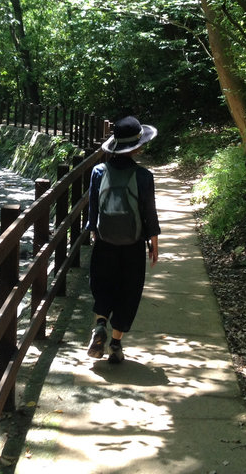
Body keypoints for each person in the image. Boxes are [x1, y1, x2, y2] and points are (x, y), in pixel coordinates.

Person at [84, 115, 160, 364]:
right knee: (129, 291)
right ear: (136, 148)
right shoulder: (144, 176)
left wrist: (94, 232)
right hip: (133, 244)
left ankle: (100, 326)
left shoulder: (98, 171)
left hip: (105, 241)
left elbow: (93, 209)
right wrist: (153, 243)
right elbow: (149, 212)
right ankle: (115, 344)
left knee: (103, 286)